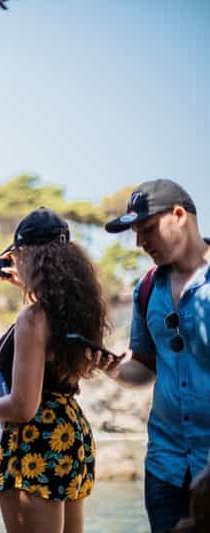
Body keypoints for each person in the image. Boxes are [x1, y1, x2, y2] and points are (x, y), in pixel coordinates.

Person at [0, 207, 109, 533]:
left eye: (16, 254)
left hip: (36, 440)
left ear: (28, 255)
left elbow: (22, 406)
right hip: (67, 431)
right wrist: (31, 288)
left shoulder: (33, 318)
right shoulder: (74, 311)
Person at [99, 179, 210, 533]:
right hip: (164, 469)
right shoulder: (146, 289)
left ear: (179, 215)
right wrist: (113, 367)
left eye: (147, 229)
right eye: (135, 232)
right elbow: (145, 368)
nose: (140, 242)